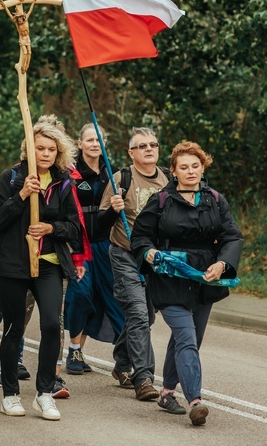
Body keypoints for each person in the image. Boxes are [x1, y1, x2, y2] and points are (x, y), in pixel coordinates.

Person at [131, 141, 243, 426]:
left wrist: (222, 264)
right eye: (184, 167)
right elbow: (140, 237)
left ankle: (167, 392)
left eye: (195, 166)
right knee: (186, 337)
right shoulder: (160, 200)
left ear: (203, 167)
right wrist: (150, 252)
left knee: (188, 340)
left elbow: (232, 237)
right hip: (169, 279)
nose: (191, 171)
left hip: (205, 280)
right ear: (174, 171)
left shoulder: (216, 200)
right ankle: (195, 400)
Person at [0, 115, 82, 421]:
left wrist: (51, 228)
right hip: (12, 265)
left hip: (49, 264)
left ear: (58, 153)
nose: (45, 154)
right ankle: (10, 394)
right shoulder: (11, 178)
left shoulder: (64, 183)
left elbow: (75, 228)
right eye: (39, 148)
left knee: (52, 324)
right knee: (14, 327)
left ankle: (44, 393)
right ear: (28, 149)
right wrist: (23, 195)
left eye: (50, 150)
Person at [98, 127, 169, 401]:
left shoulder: (169, 179)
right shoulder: (121, 180)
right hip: (125, 254)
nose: (149, 149)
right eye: (142, 146)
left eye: (153, 144)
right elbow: (99, 225)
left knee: (147, 317)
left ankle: (121, 361)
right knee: (139, 314)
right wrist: (113, 210)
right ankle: (144, 378)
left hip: (155, 259)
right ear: (131, 153)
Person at [64, 124, 126, 375]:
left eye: (98, 140)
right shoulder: (70, 171)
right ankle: (73, 349)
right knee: (81, 293)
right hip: (79, 243)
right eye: (89, 140)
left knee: (109, 298)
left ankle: (126, 357)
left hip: (105, 243)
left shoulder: (111, 172)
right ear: (79, 144)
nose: (94, 144)